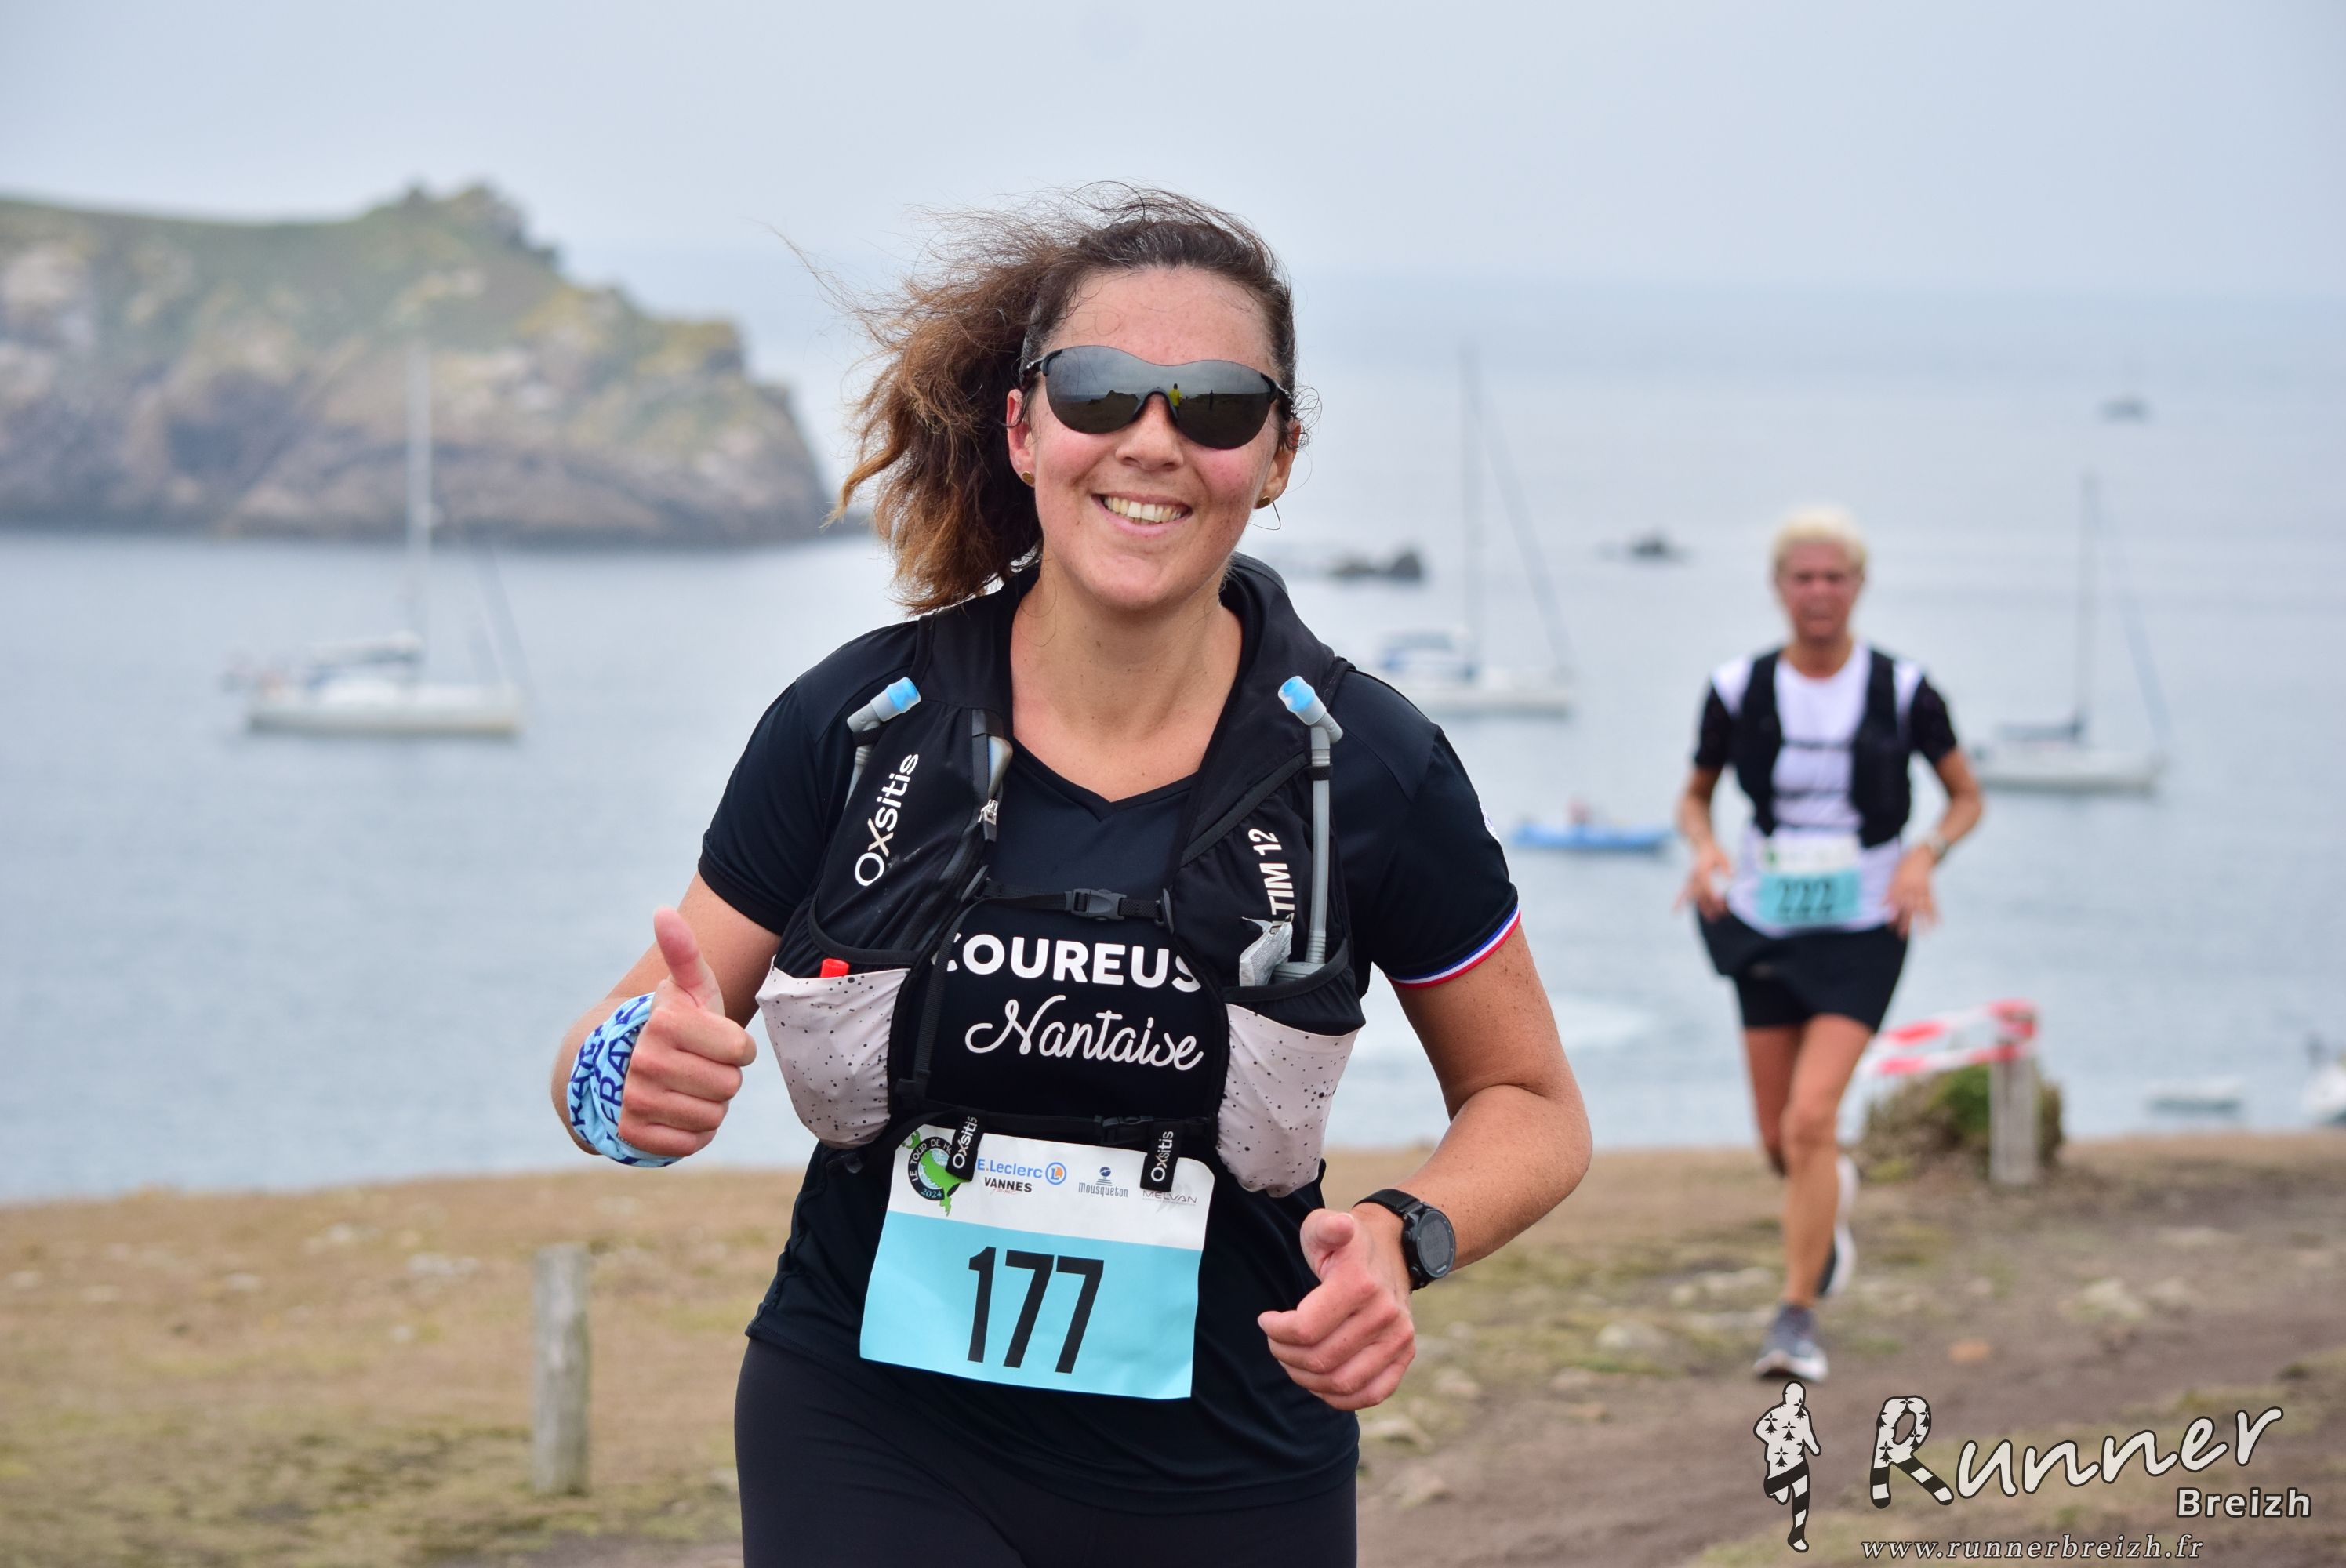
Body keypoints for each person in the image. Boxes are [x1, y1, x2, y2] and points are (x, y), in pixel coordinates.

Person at [549, 189, 1590, 1566]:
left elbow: (1532, 1104)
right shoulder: (856, 723)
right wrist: (628, 1082)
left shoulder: (1370, 766)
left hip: (1234, 1464)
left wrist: (1406, 1238)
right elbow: (609, 1054)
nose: (1152, 439)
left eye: (1217, 405)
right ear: (1025, 427)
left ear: (1277, 456)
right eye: (1099, 390)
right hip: (865, 1432)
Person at [1675, 506, 1982, 1384]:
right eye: (1803, 577)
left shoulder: (1904, 689)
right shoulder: (1738, 687)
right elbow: (1694, 795)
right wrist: (1706, 849)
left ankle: (1795, 1317)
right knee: (1780, 1139)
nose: (1819, 591)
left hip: (1864, 924)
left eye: (1834, 577)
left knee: (1813, 1120)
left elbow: (1965, 797)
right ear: (1780, 588)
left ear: (1859, 586)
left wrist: (1925, 854)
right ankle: (1828, 1206)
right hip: (1765, 917)